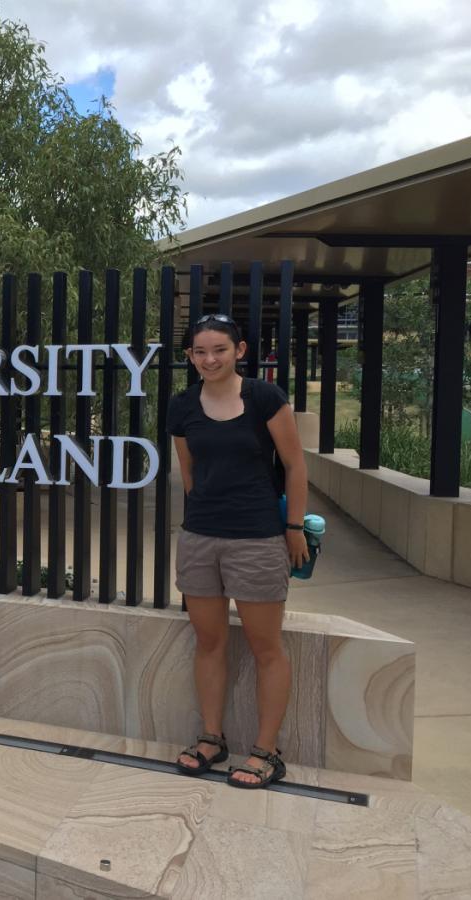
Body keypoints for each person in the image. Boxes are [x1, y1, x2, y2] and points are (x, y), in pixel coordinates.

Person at [167, 313, 309, 789]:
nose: (210, 359)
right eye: (200, 352)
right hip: (201, 536)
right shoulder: (182, 405)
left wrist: (292, 527)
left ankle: (267, 752)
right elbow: (189, 474)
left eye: (219, 350)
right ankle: (212, 737)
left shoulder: (266, 398)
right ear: (190, 356)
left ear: (240, 351)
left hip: (258, 537)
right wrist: (201, 519)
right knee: (209, 642)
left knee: (266, 647)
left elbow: (294, 466)